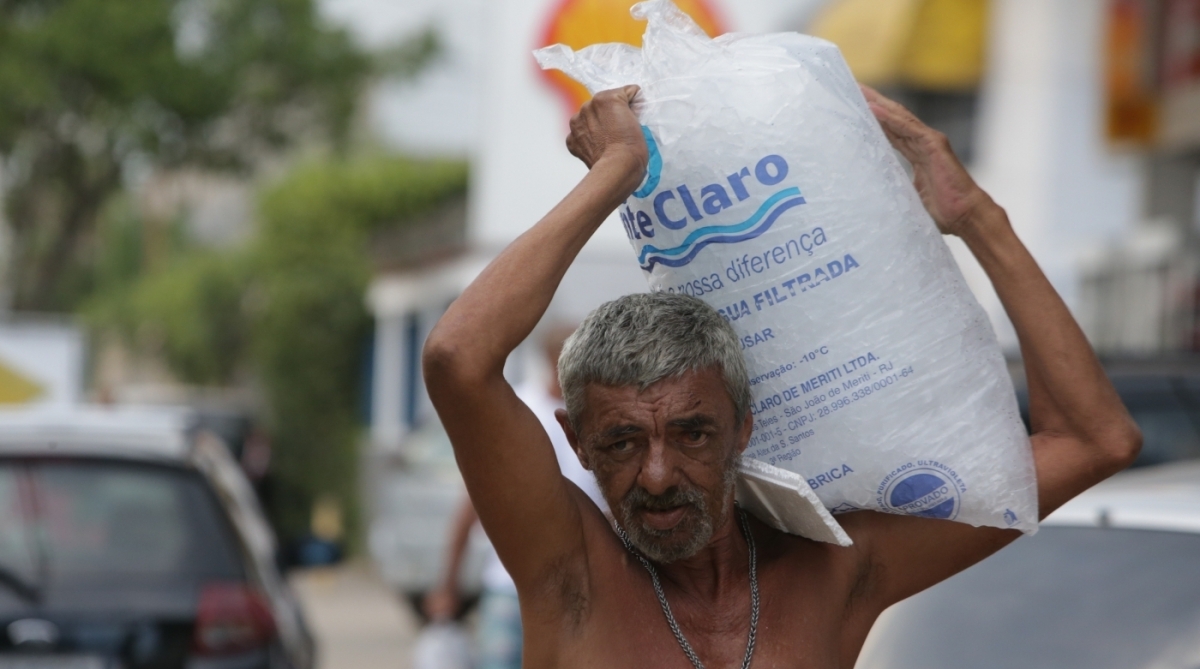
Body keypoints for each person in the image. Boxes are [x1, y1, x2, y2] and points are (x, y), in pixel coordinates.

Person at [421, 85, 1142, 668]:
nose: (659, 473)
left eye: (692, 431)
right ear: (576, 444)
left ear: (744, 426)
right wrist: (619, 171)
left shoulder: (834, 574)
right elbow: (458, 359)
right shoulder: (569, 574)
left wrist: (978, 219)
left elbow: (1096, 439)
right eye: (622, 442)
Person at [424, 326, 608, 669]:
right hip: (513, 586)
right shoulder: (522, 413)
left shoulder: (600, 418)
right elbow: (472, 505)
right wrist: (447, 585)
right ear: (555, 359)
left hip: (585, 589)